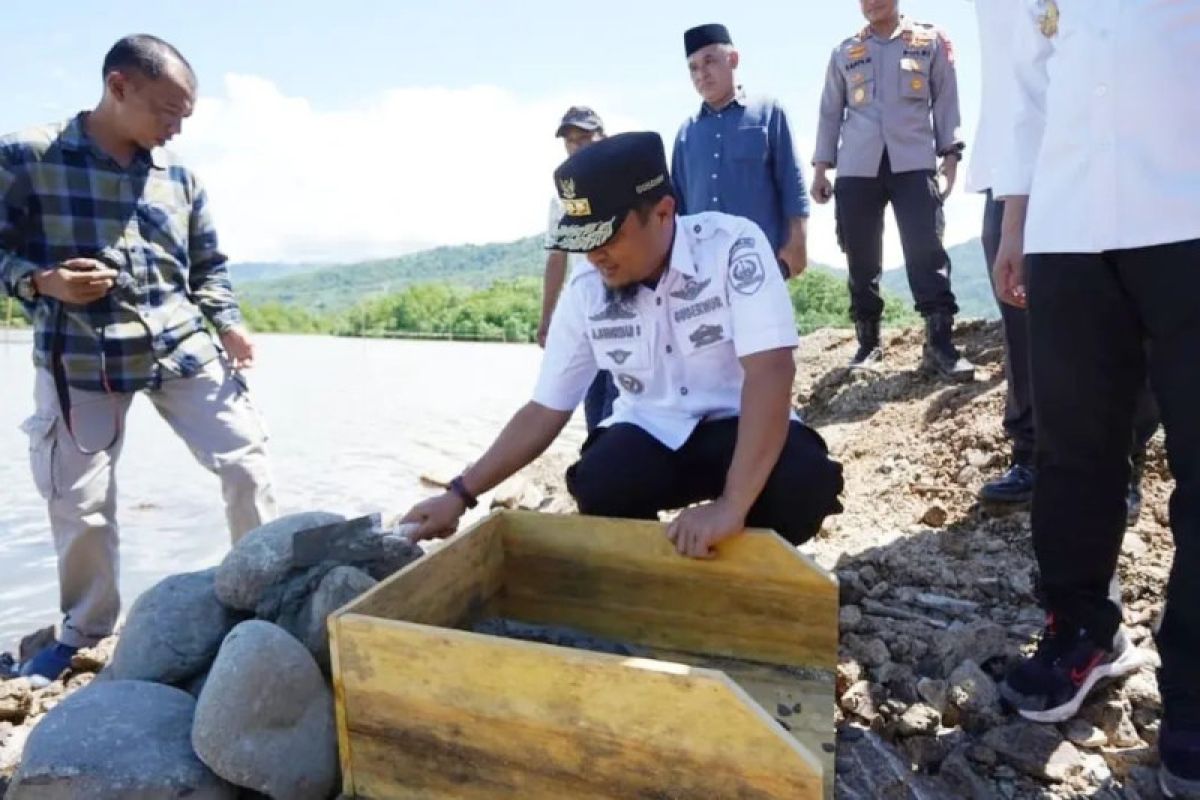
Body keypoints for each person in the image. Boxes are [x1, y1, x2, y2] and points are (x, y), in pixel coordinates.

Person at [401, 132, 843, 554]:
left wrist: (731, 505)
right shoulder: (586, 289)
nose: (594, 255)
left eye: (606, 237)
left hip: (740, 426)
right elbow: (544, 410)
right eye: (583, 241)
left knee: (803, 483)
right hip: (653, 434)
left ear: (664, 212)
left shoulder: (733, 248)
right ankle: (659, 567)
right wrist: (459, 494)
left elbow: (771, 372)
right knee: (599, 482)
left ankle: (745, 552)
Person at [0, 35, 277, 682]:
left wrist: (229, 326)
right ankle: (85, 632)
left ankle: (263, 599)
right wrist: (44, 282)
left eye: (185, 116)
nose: (176, 127)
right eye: (167, 111)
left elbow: (208, 268)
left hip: (181, 348)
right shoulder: (27, 157)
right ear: (118, 87)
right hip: (80, 358)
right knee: (82, 505)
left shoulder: (179, 176)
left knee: (247, 460)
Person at [990, 4, 1200, 795]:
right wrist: (1016, 218)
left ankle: (1193, 686)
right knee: (1072, 450)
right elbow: (1030, 86)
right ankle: (1081, 628)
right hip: (1070, 227)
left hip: (1189, 216)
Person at [967, 0, 1160, 515]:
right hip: (1012, 162)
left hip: (1117, 150)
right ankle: (1031, 455)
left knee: (1133, 317)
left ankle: (1128, 460)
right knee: (1022, 318)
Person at [811, 0, 973, 380]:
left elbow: (946, 101)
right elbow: (830, 112)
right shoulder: (844, 51)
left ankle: (940, 345)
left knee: (926, 248)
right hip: (856, 165)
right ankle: (868, 343)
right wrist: (821, 168)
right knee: (861, 256)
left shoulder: (928, 41)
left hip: (913, 161)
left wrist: (950, 155)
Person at [671, 24, 810, 280]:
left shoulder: (768, 113)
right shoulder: (685, 134)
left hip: (760, 261)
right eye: (693, 68)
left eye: (709, 61)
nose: (701, 74)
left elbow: (792, 182)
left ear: (732, 59)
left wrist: (797, 242)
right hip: (704, 270)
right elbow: (677, 205)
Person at [538, 106, 617, 433]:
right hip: (589, 308)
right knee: (592, 398)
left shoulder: (623, 181)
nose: (577, 147)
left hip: (629, 303)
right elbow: (557, 258)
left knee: (621, 396)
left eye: (585, 138)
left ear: (603, 138)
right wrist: (547, 320)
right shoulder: (563, 197)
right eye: (571, 141)